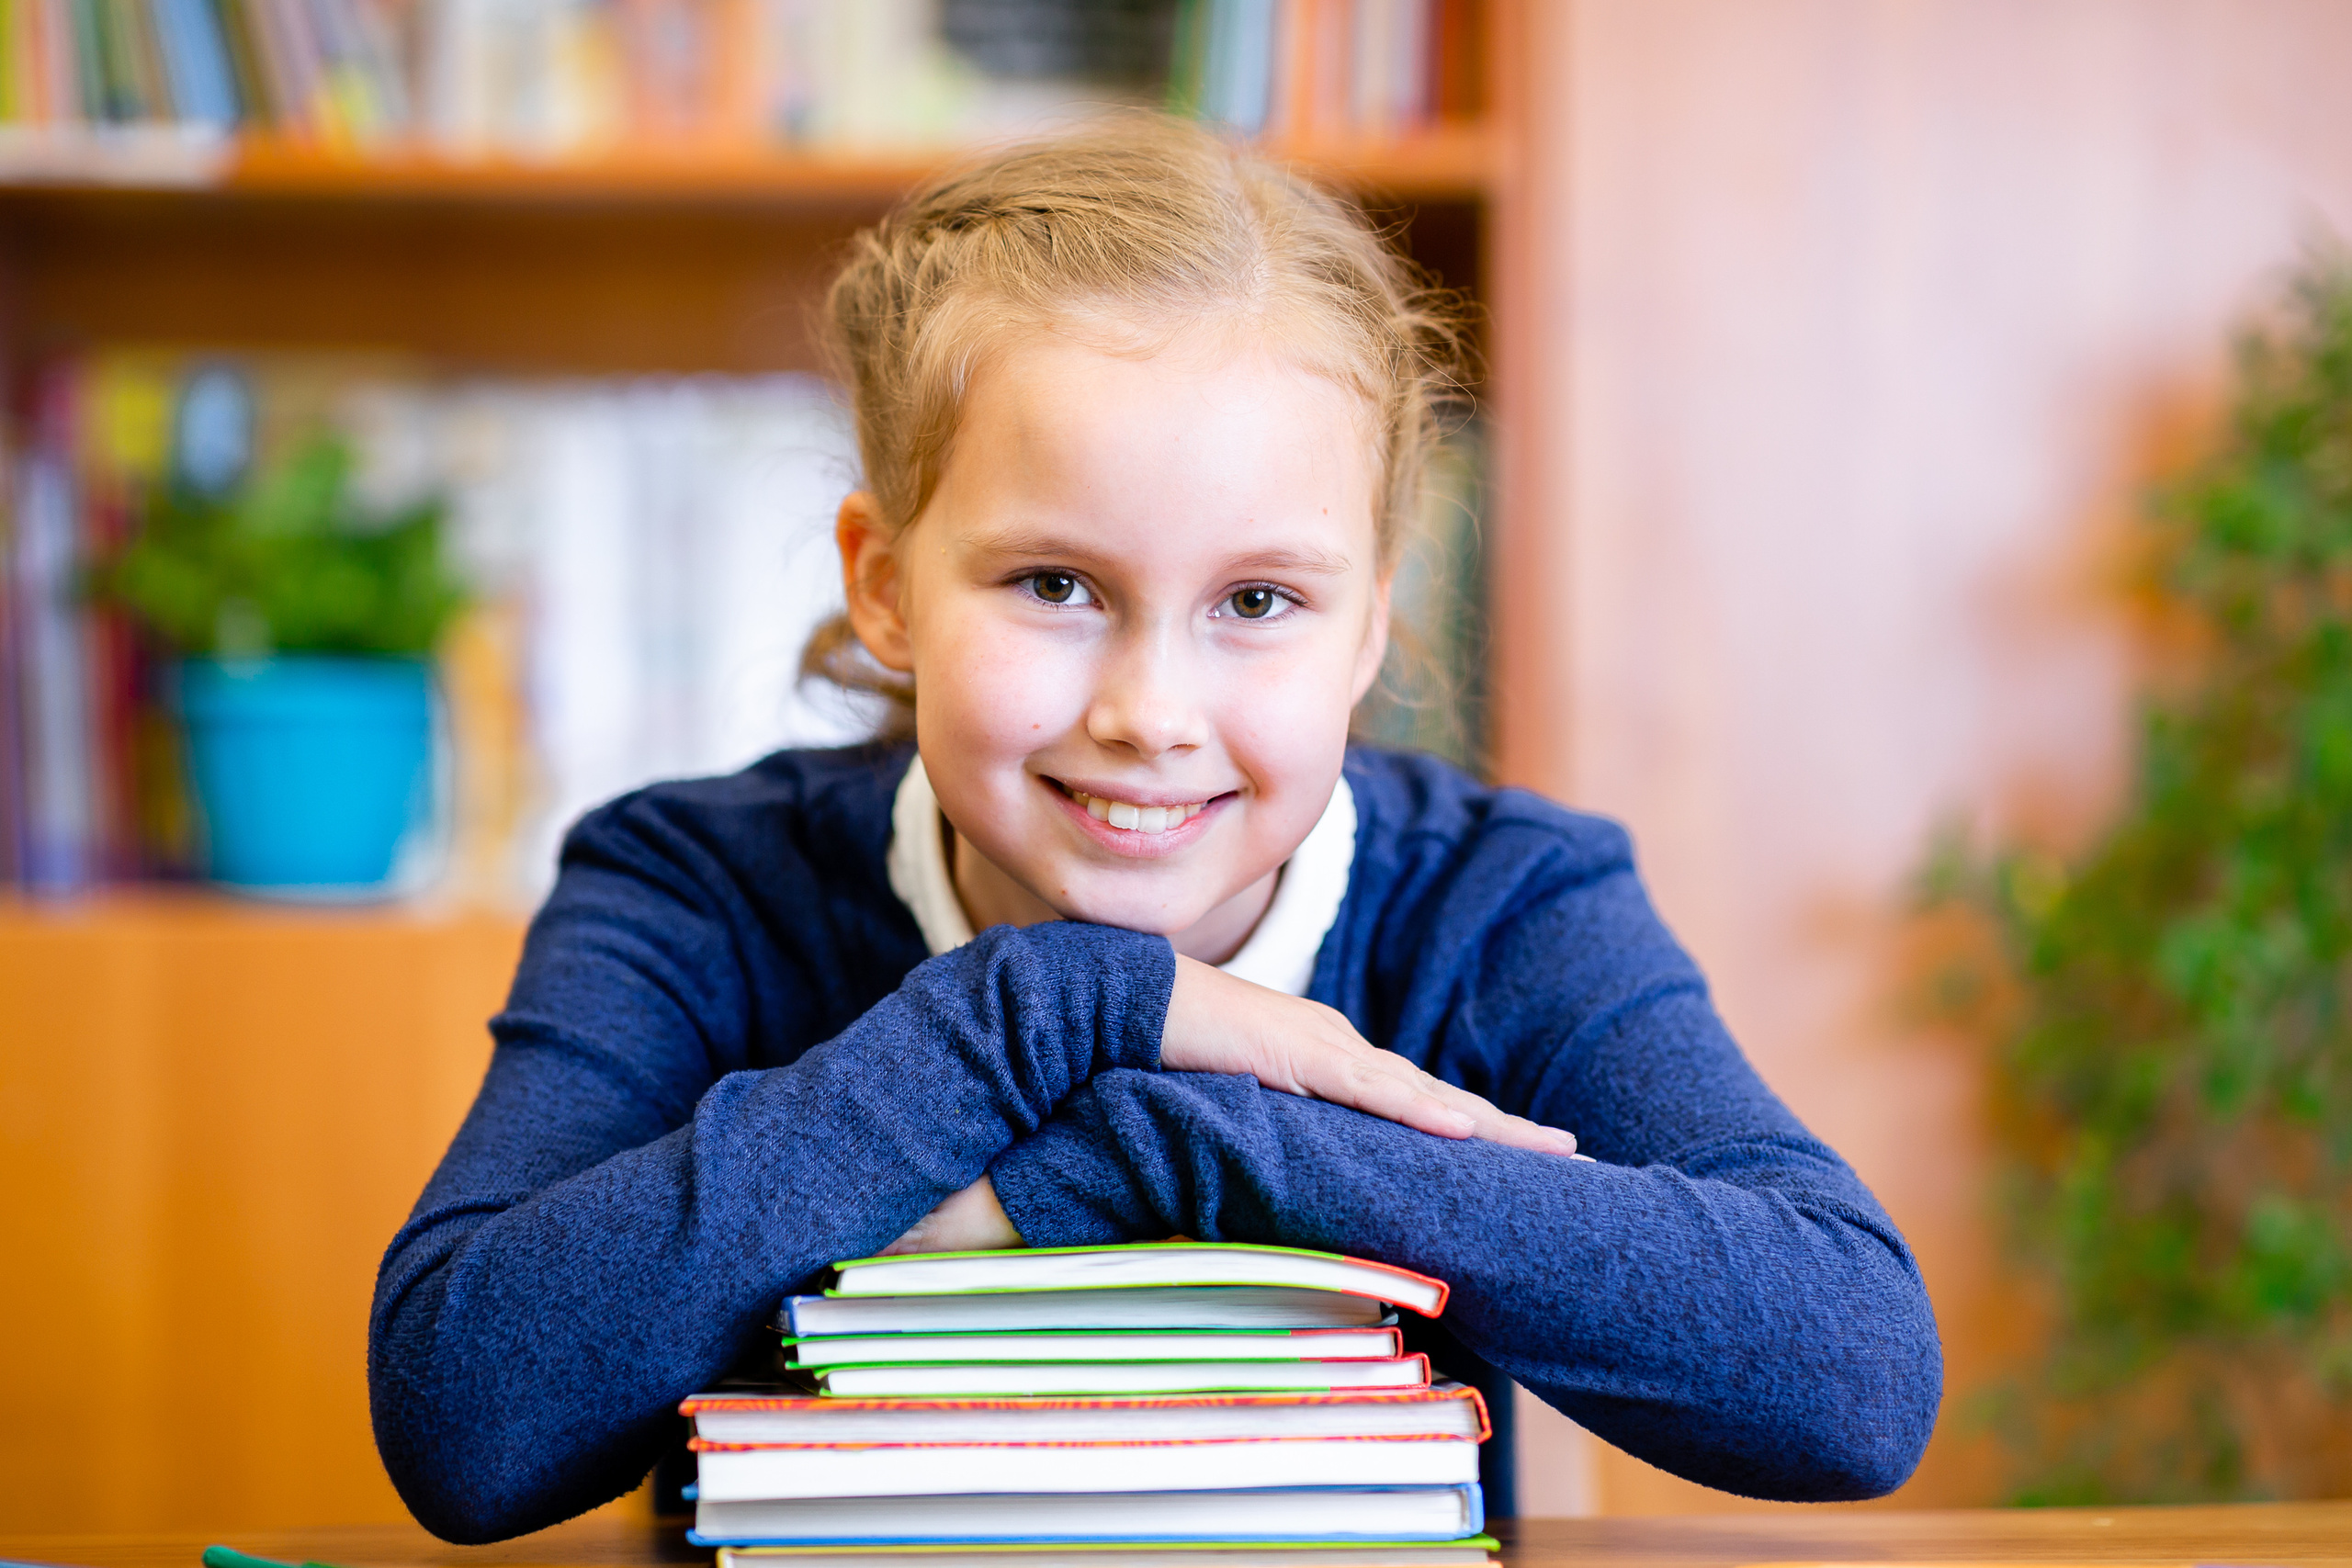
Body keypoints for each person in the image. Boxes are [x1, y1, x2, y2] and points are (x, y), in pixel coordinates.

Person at [368, 114, 1941, 1546]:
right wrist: (1049, 1009)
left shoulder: (1504, 901)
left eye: (1259, 602)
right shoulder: (697, 888)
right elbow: (465, 1416)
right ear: (885, 583)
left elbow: (1852, 1377)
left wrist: (1169, 1139)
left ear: (1371, 627)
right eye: (1056, 584)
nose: (1152, 709)